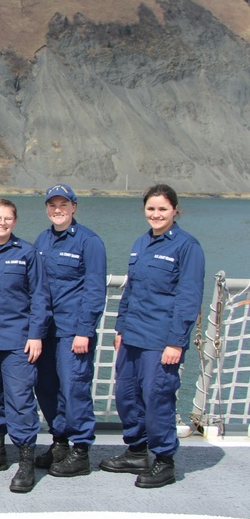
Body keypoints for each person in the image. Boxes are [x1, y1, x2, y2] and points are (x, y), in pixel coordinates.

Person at [101, 184, 204, 489]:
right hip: (133, 335)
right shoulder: (141, 244)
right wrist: (120, 328)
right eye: (150, 208)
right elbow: (130, 290)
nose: (156, 214)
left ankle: (163, 460)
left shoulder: (187, 246)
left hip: (161, 339)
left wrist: (176, 341)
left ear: (175, 210)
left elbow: (189, 297)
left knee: (157, 398)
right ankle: (136, 450)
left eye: (162, 208)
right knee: (126, 396)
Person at [0, 198, 51, 493]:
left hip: (17, 341)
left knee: (20, 400)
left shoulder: (27, 252)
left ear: (15, 222)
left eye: (8, 219)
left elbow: (40, 296)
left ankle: (26, 461)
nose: (1, 223)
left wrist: (36, 334)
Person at [33, 184, 107, 477]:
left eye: (64, 205)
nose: (58, 210)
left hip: (72, 331)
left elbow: (95, 288)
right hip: (46, 331)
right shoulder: (42, 240)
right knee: (47, 388)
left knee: (74, 388)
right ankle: (60, 441)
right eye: (52, 205)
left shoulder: (89, 242)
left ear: (74, 207)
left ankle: (81, 450)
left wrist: (84, 330)